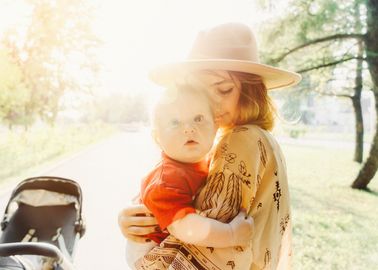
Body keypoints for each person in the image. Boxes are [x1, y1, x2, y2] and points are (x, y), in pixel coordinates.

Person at [119, 22, 301, 270]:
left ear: (250, 91)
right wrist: (139, 218)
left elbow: (202, 243)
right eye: (201, 93)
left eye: (224, 89)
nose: (211, 105)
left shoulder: (243, 139)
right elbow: (175, 192)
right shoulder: (230, 142)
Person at [126, 84, 254, 269]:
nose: (188, 129)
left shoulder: (206, 160)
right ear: (157, 138)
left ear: (215, 126)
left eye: (198, 118)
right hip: (150, 255)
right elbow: (185, 228)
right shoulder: (166, 180)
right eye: (175, 122)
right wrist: (232, 234)